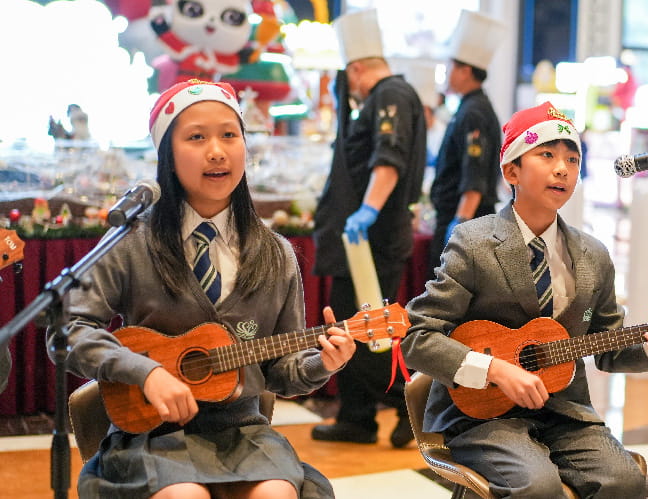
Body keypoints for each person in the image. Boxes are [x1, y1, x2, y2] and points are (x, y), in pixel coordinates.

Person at [50, 79, 356, 499]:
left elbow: (282, 374)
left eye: (230, 135)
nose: (217, 150)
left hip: (242, 432)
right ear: (167, 155)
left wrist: (324, 363)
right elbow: (68, 330)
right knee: (184, 495)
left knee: (276, 493)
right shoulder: (132, 241)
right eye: (197, 137)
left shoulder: (275, 254)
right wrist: (146, 372)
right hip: (151, 434)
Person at [401, 101, 648, 498]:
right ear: (511, 171)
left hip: (565, 412)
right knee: (538, 487)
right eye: (546, 155)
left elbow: (608, 344)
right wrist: (496, 370)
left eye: (572, 158)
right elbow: (418, 337)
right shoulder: (474, 242)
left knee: (626, 483)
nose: (562, 168)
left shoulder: (593, 256)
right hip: (478, 415)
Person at [311, 9, 426, 448]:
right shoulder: (394, 93)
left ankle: (407, 407)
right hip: (363, 240)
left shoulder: (389, 93)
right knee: (353, 327)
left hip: (369, 243)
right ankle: (356, 418)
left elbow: (388, 158)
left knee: (365, 332)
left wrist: (367, 212)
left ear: (357, 69)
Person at [427, 10, 506, 277]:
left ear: (465, 70)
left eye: (450, 67)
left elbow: (475, 175)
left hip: (467, 224)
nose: (447, 74)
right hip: (462, 221)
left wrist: (460, 225)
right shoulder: (470, 106)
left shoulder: (474, 112)